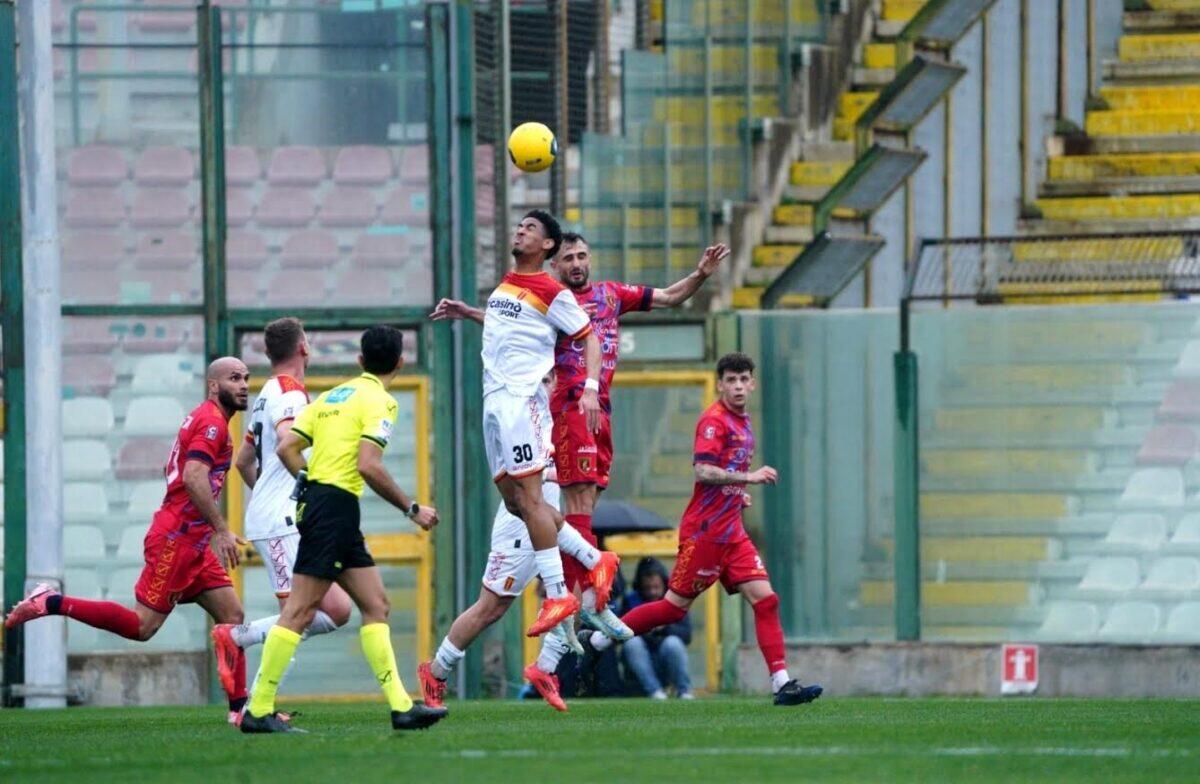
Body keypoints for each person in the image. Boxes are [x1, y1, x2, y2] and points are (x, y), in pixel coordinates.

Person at [431, 234, 728, 639]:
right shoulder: (552, 303)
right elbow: (510, 323)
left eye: (582, 255)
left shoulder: (611, 295)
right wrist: (470, 313)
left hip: (599, 410)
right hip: (567, 408)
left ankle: (582, 599)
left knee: (581, 504)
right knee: (573, 506)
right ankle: (585, 597)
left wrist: (700, 274)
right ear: (555, 266)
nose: (576, 263)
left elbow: (669, 296)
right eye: (568, 257)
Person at [5, 357, 254, 722]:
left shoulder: (207, 419)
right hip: (177, 541)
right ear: (214, 386)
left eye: (247, 378)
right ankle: (50, 602)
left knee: (232, 615)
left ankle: (240, 710)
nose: (244, 384)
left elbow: (177, 471)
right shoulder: (213, 424)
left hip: (194, 543)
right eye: (235, 378)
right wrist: (219, 527)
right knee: (142, 627)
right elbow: (193, 476)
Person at [585, 353, 824, 707]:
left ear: (752, 383)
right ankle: (599, 641)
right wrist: (749, 478)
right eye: (731, 380)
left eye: (744, 379)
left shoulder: (743, 423)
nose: (739, 386)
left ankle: (781, 683)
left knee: (766, 600)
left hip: (733, 534)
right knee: (672, 609)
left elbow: (720, 480)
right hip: (706, 533)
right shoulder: (714, 421)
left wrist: (736, 495)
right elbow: (703, 471)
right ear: (721, 383)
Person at [239, 326, 445, 733]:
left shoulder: (332, 395)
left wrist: (308, 481)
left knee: (376, 604)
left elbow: (285, 449)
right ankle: (257, 709)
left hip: (333, 509)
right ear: (400, 364)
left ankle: (401, 707)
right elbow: (369, 464)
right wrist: (412, 508)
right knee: (298, 611)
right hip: (332, 509)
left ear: (360, 361)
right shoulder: (381, 402)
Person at [430, 210, 620, 638]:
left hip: (522, 402)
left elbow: (589, 338)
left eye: (531, 228)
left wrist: (590, 387)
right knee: (517, 503)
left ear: (547, 245)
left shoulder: (553, 292)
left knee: (532, 502)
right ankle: (595, 560)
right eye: (519, 225)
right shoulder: (511, 282)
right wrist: (469, 312)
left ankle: (557, 596)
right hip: (493, 404)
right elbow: (508, 324)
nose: (519, 230)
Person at [417, 372, 607, 712]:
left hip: (547, 526)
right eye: (545, 380)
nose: (552, 386)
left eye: (553, 379)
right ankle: (435, 671)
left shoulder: (549, 419)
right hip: (519, 529)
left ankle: (545, 667)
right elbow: (522, 485)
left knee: (584, 588)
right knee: (491, 608)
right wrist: (565, 473)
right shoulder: (514, 419)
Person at [213, 318, 352, 709]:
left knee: (337, 610)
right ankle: (258, 704)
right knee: (294, 616)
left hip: (283, 517)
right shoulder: (289, 394)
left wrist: (278, 498)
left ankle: (238, 639)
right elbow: (288, 444)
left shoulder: (266, 393)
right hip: (282, 521)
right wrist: (306, 492)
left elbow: (243, 462)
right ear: (303, 347)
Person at [620, 557, 692, 700]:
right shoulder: (631, 601)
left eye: (656, 587)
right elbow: (620, 634)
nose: (653, 592)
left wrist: (664, 628)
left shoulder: (675, 600)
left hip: (666, 657)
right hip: (640, 661)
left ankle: (684, 691)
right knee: (632, 643)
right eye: (648, 588)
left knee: (673, 643)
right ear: (640, 586)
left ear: (663, 584)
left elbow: (687, 635)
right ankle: (656, 692)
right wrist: (646, 628)